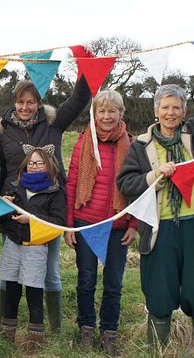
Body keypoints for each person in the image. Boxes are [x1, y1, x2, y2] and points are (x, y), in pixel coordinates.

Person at [117, 37, 194, 358]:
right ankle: (158, 352)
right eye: (164, 107)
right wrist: (155, 175)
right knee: (159, 295)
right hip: (159, 231)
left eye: (176, 107)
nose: (170, 113)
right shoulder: (140, 146)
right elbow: (126, 183)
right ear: (156, 111)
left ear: (185, 111)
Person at [0, 76, 91, 333]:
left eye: (31, 102)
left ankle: (54, 329)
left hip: (49, 210)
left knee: (49, 272)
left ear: (38, 103)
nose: (25, 107)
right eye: (20, 102)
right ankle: (7, 325)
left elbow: (80, 98)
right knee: (10, 270)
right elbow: (0, 171)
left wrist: (84, 67)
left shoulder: (54, 123)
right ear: (14, 103)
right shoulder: (2, 131)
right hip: (14, 210)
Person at [64, 89, 136, 355]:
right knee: (85, 280)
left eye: (112, 111)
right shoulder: (84, 142)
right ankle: (85, 327)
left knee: (114, 283)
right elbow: (72, 184)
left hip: (118, 225)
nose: (107, 116)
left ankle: (109, 332)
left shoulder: (132, 144)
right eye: (101, 111)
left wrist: (134, 224)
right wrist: (70, 225)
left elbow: (137, 190)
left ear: (121, 114)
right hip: (85, 223)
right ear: (95, 114)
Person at [0, 147, 66, 352]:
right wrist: (3, 206)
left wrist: (32, 220)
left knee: (34, 292)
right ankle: (6, 339)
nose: (34, 167)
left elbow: (58, 222)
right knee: (11, 291)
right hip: (12, 244)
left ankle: (35, 343)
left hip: (36, 247)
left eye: (39, 163)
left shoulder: (55, 190)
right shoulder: (13, 186)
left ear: (48, 165)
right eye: (31, 163)